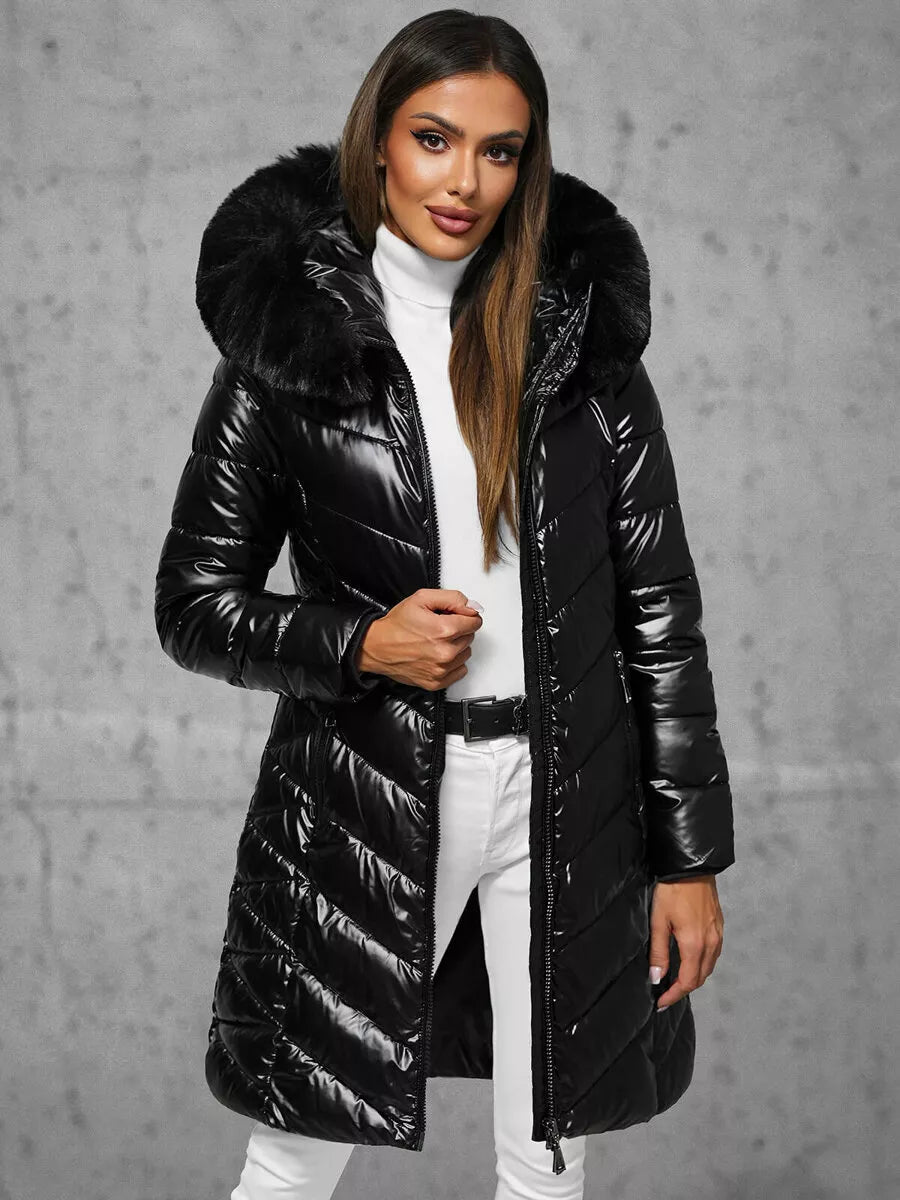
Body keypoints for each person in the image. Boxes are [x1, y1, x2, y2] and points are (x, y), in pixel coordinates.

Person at [154, 9, 735, 1199]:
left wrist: (690, 862)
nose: (463, 180)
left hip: (570, 798)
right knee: (295, 1148)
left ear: (529, 165)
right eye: (434, 138)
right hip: (367, 789)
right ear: (377, 142)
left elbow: (660, 619)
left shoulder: (585, 354)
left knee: (547, 1153)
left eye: (499, 150)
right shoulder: (287, 351)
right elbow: (194, 603)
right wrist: (361, 642)